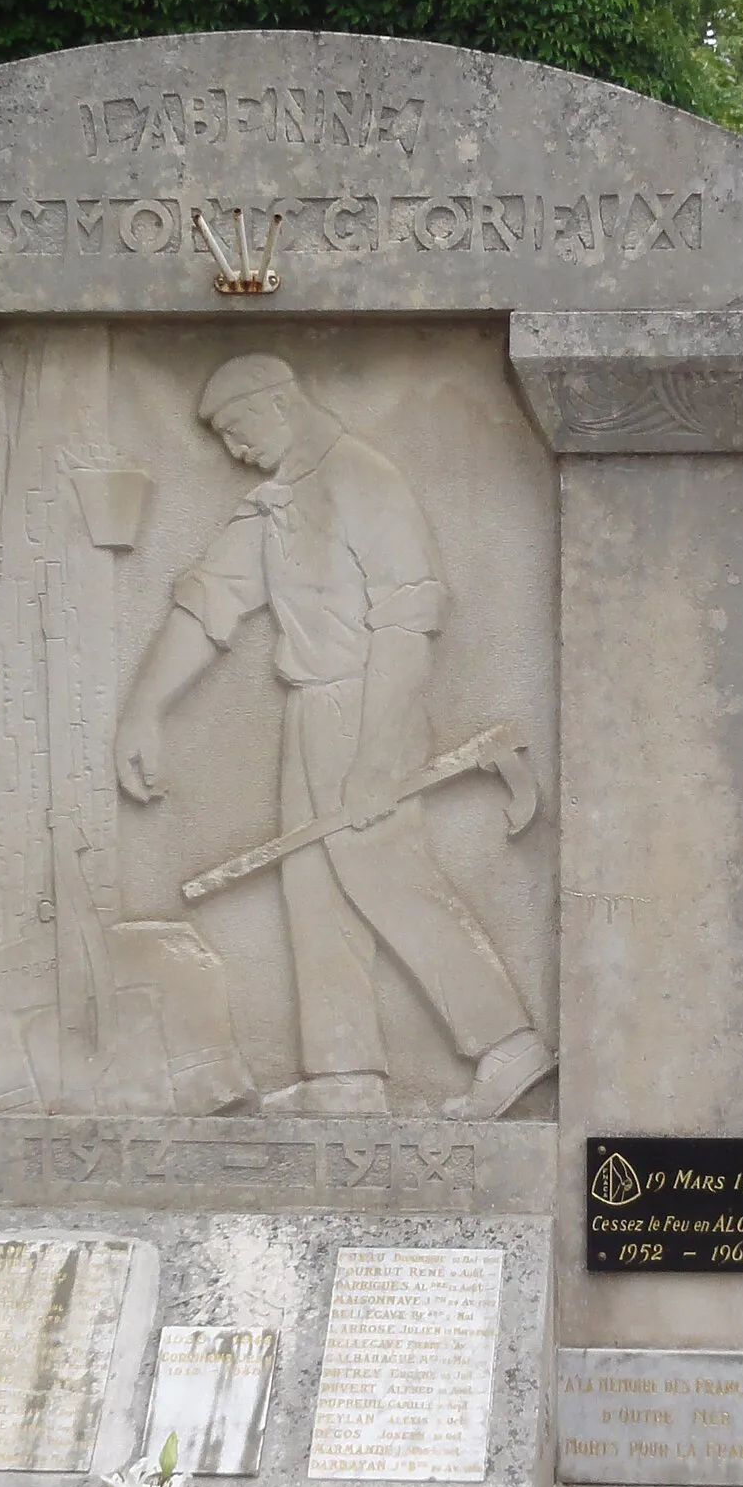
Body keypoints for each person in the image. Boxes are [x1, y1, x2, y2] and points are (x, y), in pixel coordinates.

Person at [116, 354, 555, 1119]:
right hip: (311, 706)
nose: (233, 450)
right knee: (314, 887)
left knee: (382, 870)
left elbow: (408, 618)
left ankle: (507, 1043)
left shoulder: (362, 477)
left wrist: (381, 749)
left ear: (278, 402)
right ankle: (344, 1076)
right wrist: (144, 707)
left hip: (370, 698)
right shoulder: (275, 499)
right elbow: (212, 599)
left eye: (237, 429)